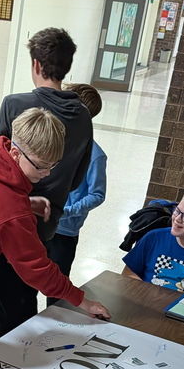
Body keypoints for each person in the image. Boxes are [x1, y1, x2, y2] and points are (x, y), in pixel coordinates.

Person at [0, 108, 110, 359]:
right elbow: (36, 268)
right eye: (41, 166)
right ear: (17, 152)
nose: (48, 173)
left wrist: (24, 202)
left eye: (54, 165)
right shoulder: (11, 211)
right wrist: (82, 301)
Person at [0, 28, 94, 338]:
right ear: (67, 66)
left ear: (36, 64)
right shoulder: (83, 116)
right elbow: (78, 177)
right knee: (37, 287)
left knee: (11, 306)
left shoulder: (14, 104)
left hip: (11, 224)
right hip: (50, 224)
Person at [46, 83, 107, 280]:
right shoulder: (51, 141)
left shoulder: (96, 155)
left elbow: (97, 195)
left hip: (64, 231)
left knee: (57, 286)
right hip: (39, 224)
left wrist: (68, 211)